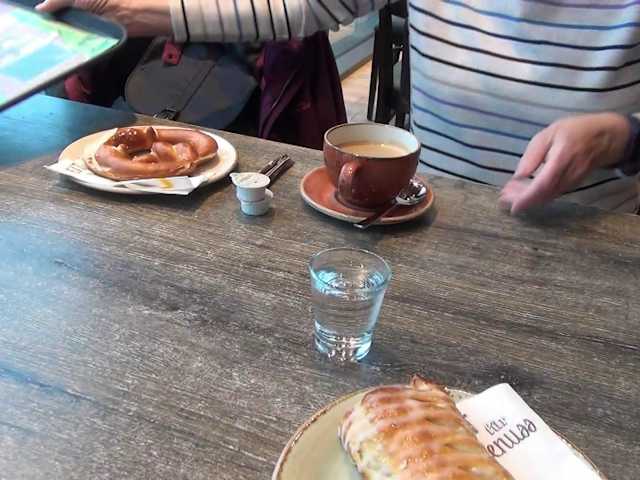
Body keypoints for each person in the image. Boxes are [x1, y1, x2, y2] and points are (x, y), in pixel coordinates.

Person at [36, 0, 640, 214]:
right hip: (434, 210)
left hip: (594, 232)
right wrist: (122, 9)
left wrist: (625, 135)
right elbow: (293, 7)